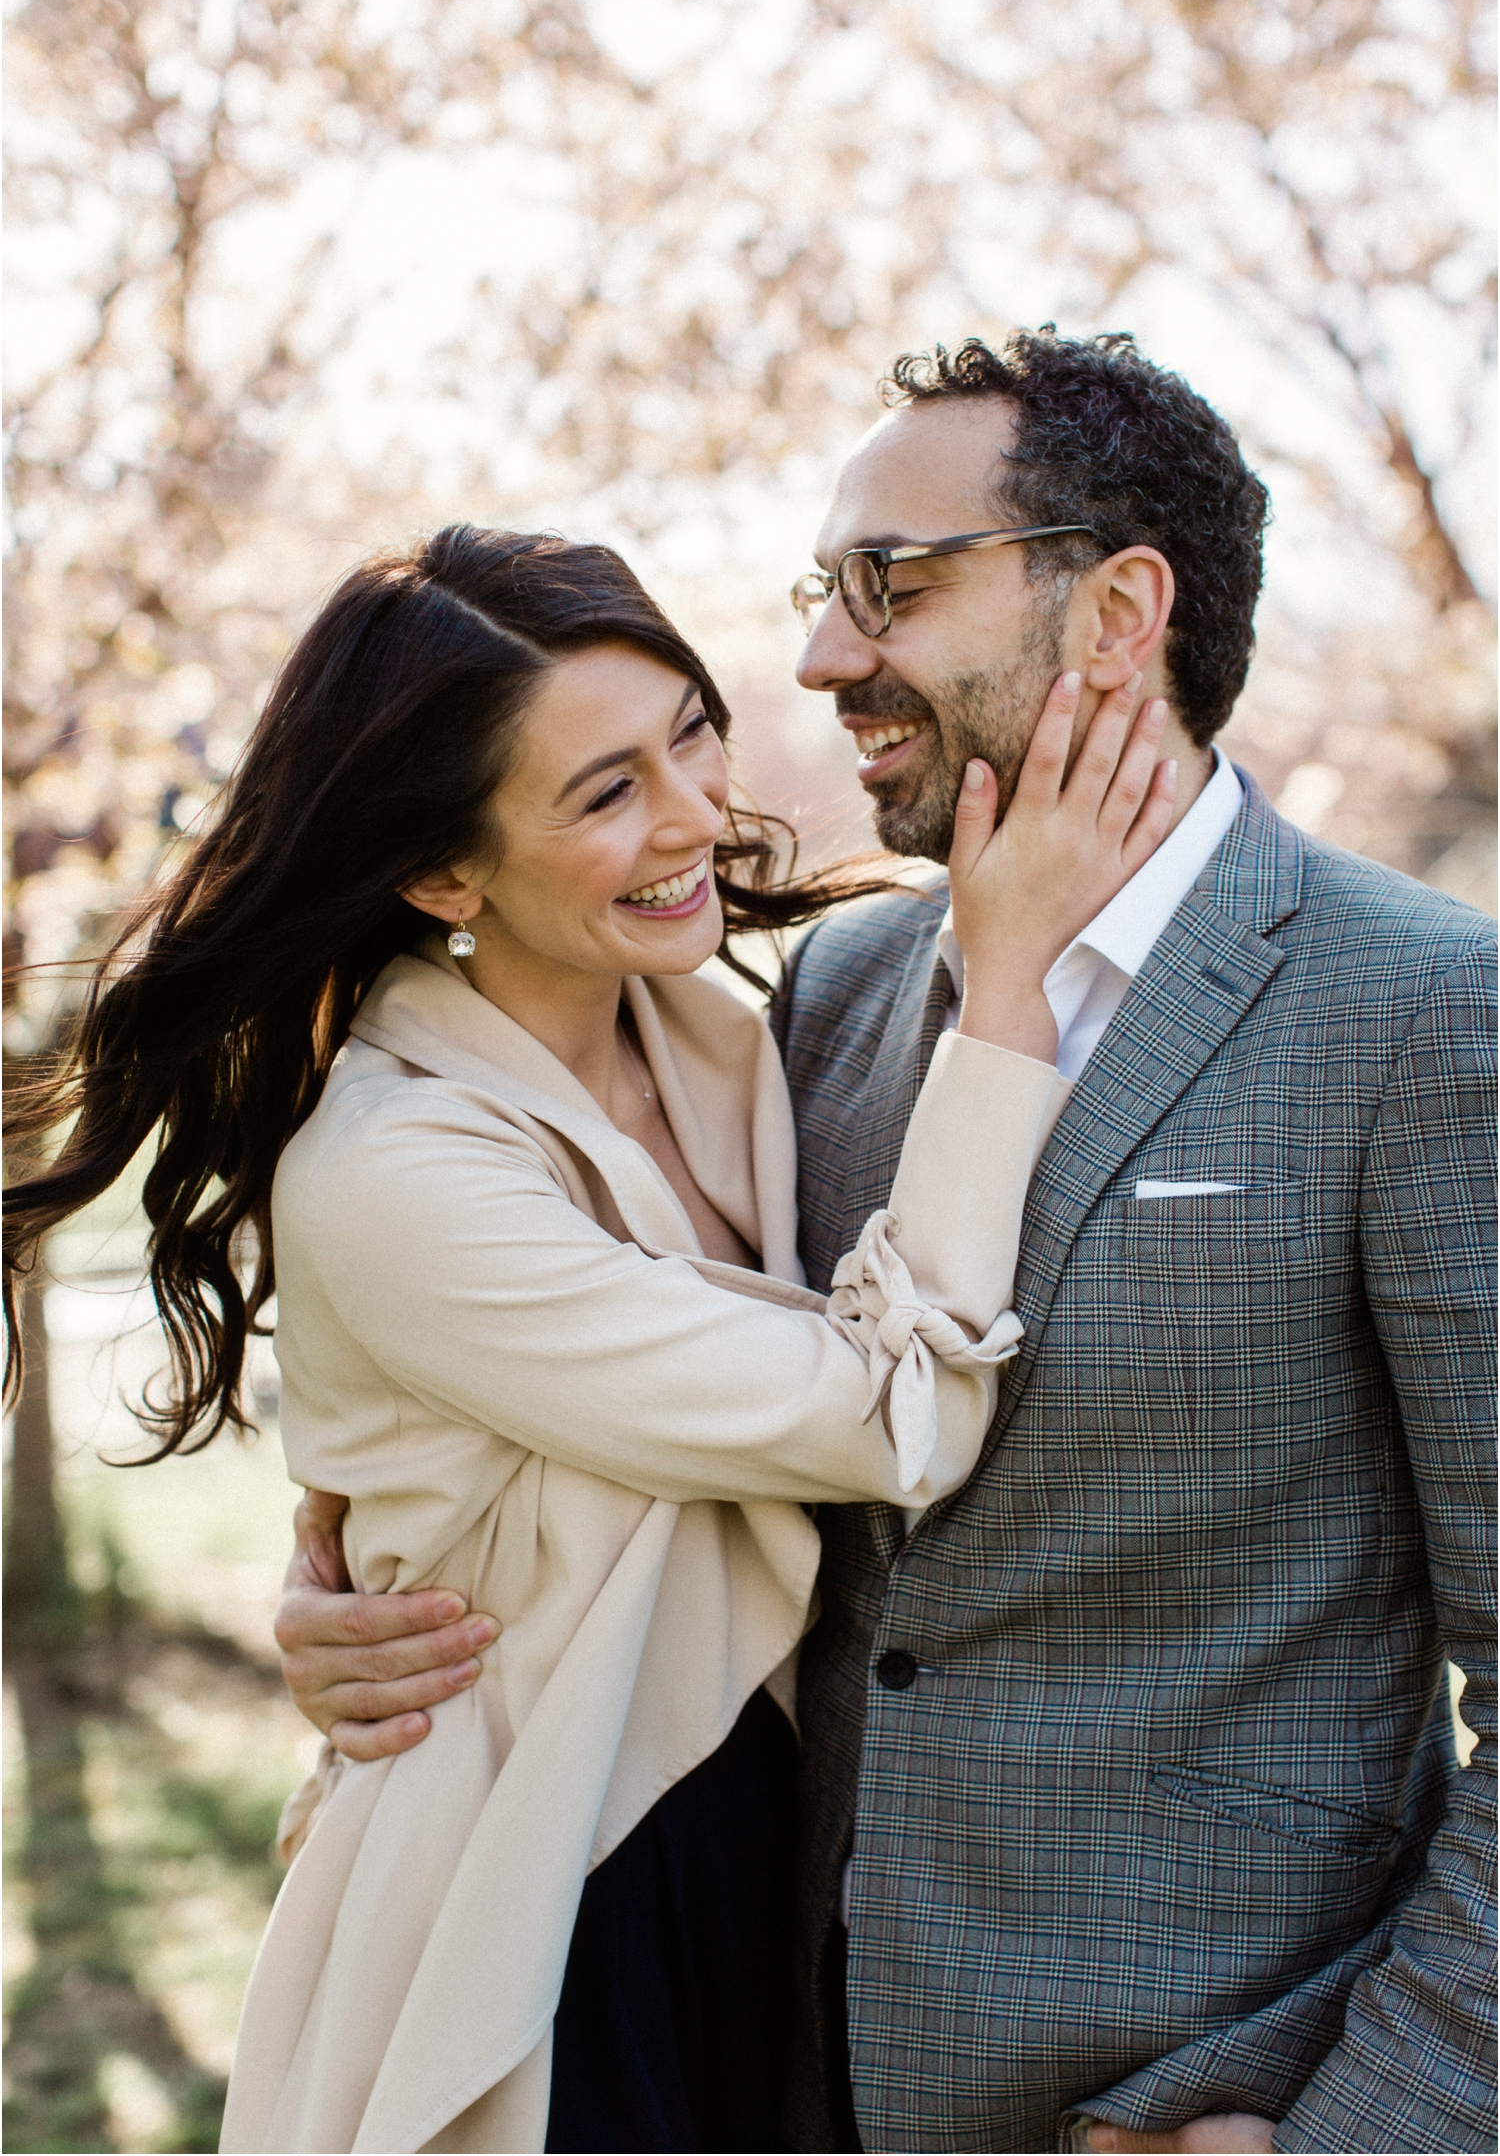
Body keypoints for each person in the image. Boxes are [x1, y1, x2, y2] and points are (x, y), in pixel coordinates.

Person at [279, 332, 1497, 2155]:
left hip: (1193, 2104)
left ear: (1116, 611)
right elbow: (694, 1413)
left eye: (891, 587)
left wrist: (1373, 2130)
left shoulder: (1421, 1015)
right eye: (821, 590)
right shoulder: (833, 999)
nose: (820, 655)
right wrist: (365, 1576)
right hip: (776, 2066)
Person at [4, 522, 1178, 2155]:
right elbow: (889, 1417)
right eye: (603, 792)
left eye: (688, 733)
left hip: (767, 1857)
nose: (695, 814)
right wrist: (1009, 995)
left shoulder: (727, 1030)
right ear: (442, 874)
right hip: (545, 1899)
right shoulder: (393, 1170)